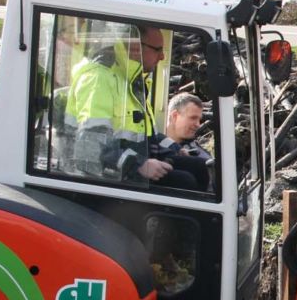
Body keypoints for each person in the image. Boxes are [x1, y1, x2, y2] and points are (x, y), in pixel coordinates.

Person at [67, 25, 176, 184]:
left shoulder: (130, 78)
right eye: (157, 49)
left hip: (127, 171)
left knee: (193, 169)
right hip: (102, 180)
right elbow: (91, 143)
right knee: (186, 182)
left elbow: (147, 135)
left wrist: (176, 149)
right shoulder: (98, 79)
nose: (162, 57)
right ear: (135, 47)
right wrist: (139, 164)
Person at [149, 92, 212, 191]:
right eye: (193, 118)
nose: (198, 125)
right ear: (174, 116)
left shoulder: (200, 155)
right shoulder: (152, 144)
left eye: (199, 120)